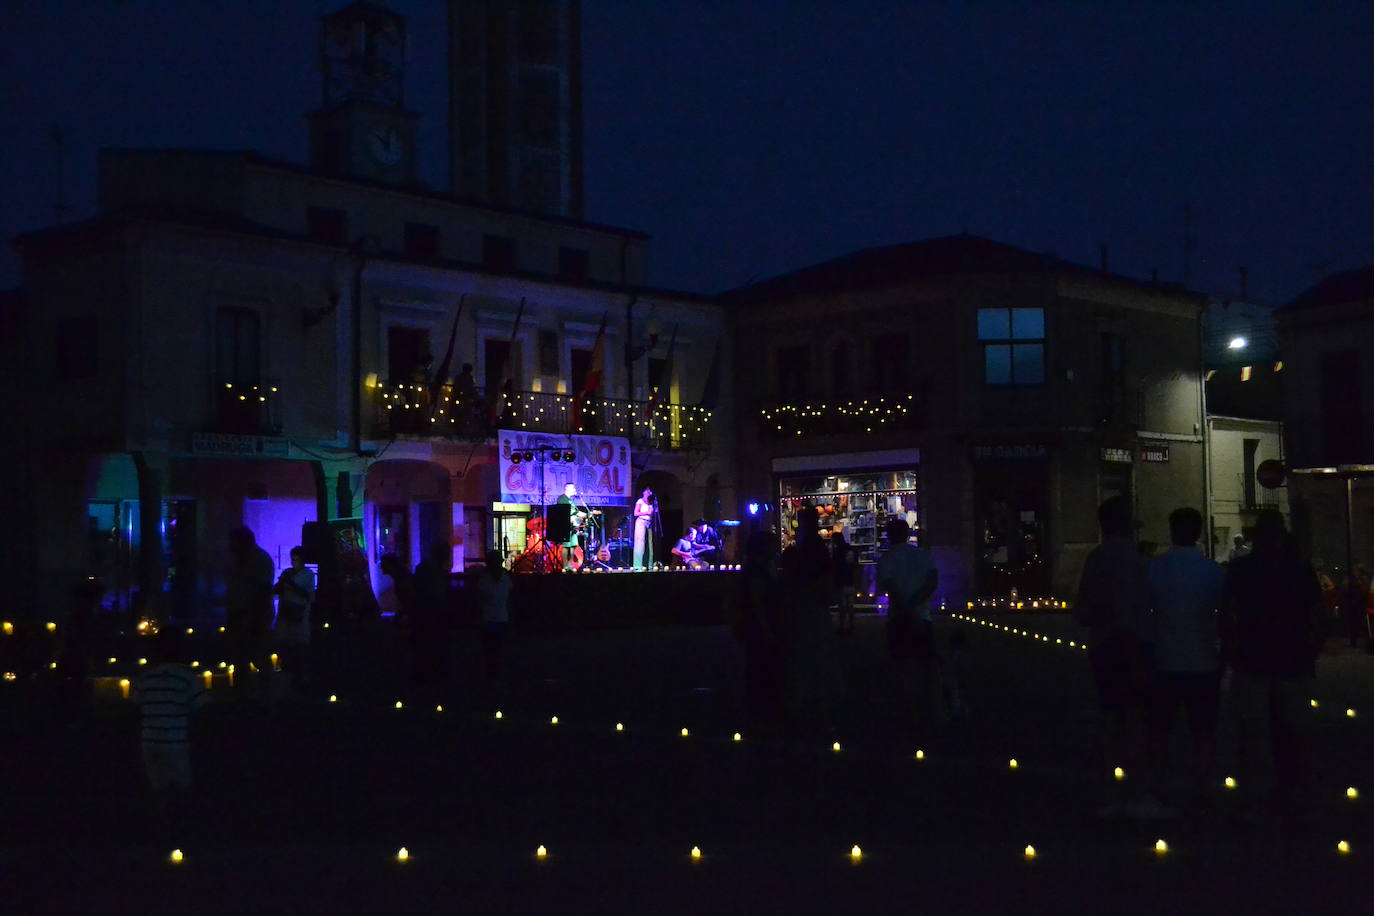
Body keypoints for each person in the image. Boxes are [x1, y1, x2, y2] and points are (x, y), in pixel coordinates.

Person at [1222, 509, 1324, 818]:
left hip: (1252, 656)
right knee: (1291, 728)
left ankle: (1254, 792)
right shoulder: (1299, 569)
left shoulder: (1241, 569)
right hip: (1292, 656)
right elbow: (1316, 613)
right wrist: (1313, 649)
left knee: (1253, 729)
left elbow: (1227, 612)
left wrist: (1229, 649)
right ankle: (1291, 787)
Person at [1143, 507, 1224, 814]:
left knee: (1160, 729)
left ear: (1172, 530)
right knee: (1203, 730)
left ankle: (1158, 786)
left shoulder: (1156, 569)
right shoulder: (1213, 572)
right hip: (1203, 660)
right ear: (1199, 532)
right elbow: (1224, 617)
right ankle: (1202, 787)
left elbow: (1145, 615)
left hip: (1165, 660)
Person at [1073, 497, 1151, 818]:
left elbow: (1082, 610)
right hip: (1137, 644)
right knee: (1135, 718)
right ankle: (1137, 791)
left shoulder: (1096, 558)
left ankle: (1108, 791)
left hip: (1104, 644)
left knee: (1109, 716)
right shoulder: (1141, 559)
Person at [131, 626, 209, 846]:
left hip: (150, 741)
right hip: (176, 740)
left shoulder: (145, 678)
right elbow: (202, 707)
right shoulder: (187, 679)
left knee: (158, 787)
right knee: (182, 787)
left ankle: (159, 830)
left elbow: (134, 707)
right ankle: (181, 830)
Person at [876, 518, 940, 736]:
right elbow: (932, 581)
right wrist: (917, 604)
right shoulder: (922, 555)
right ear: (907, 533)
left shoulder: (886, 560)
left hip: (899, 618)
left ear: (888, 535)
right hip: (923, 616)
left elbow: (891, 588)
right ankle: (932, 712)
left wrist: (906, 607)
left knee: (903, 667)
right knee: (927, 667)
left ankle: (910, 715)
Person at [778, 507, 835, 733]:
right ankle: (815, 705)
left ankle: (800, 706)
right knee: (815, 658)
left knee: (801, 658)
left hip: (802, 607)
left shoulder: (798, 552)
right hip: (813, 608)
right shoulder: (818, 550)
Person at [225, 526, 276, 696]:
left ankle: (263, 697)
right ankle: (245, 695)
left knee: (259, 657)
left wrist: (255, 619)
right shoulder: (241, 559)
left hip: (254, 616)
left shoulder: (259, 560)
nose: (230, 547)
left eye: (233, 543)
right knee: (241, 659)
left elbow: (262, 592)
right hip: (241, 615)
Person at [411, 540, 453, 693]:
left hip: (430, 613)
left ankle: (429, 676)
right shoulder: (431, 570)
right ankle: (429, 676)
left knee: (430, 645)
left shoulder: (428, 569)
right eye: (447, 553)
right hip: (430, 614)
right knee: (431, 645)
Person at [272, 546, 315, 695]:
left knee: (300, 648)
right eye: (292, 559)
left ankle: (302, 680)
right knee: (285, 647)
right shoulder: (287, 573)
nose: (293, 562)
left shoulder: (308, 575)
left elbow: (307, 594)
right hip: (285, 616)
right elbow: (277, 589)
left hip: (299, 617)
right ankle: (286, 679)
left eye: (296, 559)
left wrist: (291, 584)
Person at [476, 550, 513, 681]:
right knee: (497, 651)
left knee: (491, 652)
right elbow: (509, 599)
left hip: (491, 620)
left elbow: (480, 601)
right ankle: (496, 677)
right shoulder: (505, 579)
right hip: (498, 620)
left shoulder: (484, 581)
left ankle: (492, 677)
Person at [830, 527, 857, 635]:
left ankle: (842, 625)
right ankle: (851, 625)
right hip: (850, 579)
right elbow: (855, 564)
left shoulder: (837, 551)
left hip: (841, 580)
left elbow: (834, 566)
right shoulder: (850, 549)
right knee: (850, 605)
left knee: (842, 605)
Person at [556, 482, 586, 572]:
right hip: (566, 525)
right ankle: (565, 566)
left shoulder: (571, 500)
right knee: (566, 546)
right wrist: (575, 516)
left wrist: (586, 514)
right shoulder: (562, 498)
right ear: (567, 488)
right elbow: (564, 511)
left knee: (573, 545)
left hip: (573, 526)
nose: (574, 490)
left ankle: (570, 565)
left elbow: (575, 512)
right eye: (573, 488)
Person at [632, 488, 656, 570]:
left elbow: (653, 513)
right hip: (641, 521)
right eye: (647, 490)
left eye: (650, 491)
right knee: (640, 543)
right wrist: (646, 512)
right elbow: (635, 513)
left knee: (650, 544)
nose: (649, 492)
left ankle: (650, 565)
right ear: (643, 492)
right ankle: (637, 565)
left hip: (649, 522)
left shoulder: (652, 502)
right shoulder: (640, 501)